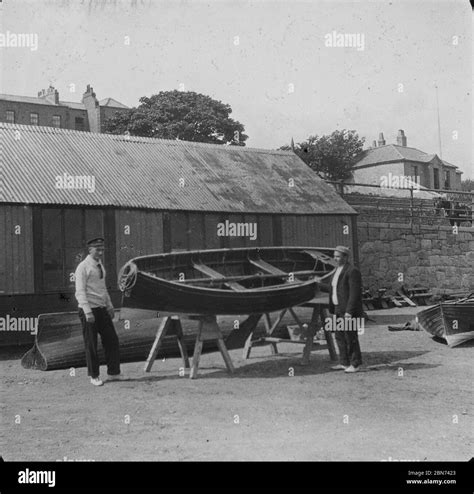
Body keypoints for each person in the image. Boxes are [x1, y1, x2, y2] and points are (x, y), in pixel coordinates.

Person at [75, 237, 122, 386]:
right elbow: (80, 291)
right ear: (90, 250)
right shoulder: (83, 267)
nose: (101, 252)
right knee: (91, 344)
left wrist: (109, 306)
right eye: (97, 249)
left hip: (102, 309)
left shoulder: (100, 265)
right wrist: (88, 312)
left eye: (102, 249)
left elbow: (102, 288)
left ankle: (114, 373)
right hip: (88, 310)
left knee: (112, 340)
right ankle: (94, 376)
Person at [324, 245, 363, 373]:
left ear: (345, 257)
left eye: (338, 256)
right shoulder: (336, 271)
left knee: (350, 337)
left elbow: (354, 293)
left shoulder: (352, 271)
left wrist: (349, 312)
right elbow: (333, 289)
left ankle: (355, 364)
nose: (335, 259)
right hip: (337, 308)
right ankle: (344, 362)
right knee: (339, 336)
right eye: (334, 256)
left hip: (347, 311)